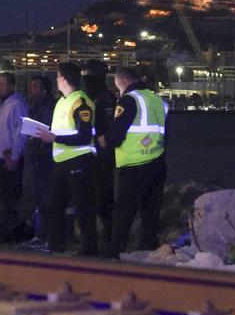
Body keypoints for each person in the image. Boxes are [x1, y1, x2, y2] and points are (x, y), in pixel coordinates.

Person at [98, 67, 168, 258]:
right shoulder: (156, 99)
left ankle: (115, 255)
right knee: (150, 214)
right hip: (157, 163)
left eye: (117, 86)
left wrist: (104, 140)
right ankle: (147, 253)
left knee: (123, 214)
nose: (117, 90)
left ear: (123, 81)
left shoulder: (129, 100)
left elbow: (116, 134)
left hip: (134, 166)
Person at [37, 63, 98, 255]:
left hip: (79, 160)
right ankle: (56, 246)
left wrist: (54, 138)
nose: (56, 80)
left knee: (83, 206)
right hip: (61, 161)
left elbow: (84, 136)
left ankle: (89, 249)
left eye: (57, 76)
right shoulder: (62, 102)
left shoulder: (81, 102)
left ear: (63, 79)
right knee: (55, 205)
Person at [0, 71, 29, 238]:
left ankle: (11, 234)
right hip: (0, 158)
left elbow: (21, 132)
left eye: (2, 84)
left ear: (11, 86)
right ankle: (5, 232)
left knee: (9, 199)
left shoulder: (17, 104)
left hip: (9, 158)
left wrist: (14, 156)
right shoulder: (3, 105)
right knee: (2, 198)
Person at [82, 59, 117, 243]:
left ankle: (107, 238)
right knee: (91, 197)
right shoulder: (92, 97)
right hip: (90, 153)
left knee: (103, 197)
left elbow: (106, 126)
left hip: (102, 156)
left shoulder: (105, 98)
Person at [23, 75, 56, 249]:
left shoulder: (48, 107)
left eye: (35, 86)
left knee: (47, 198)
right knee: (40, 198)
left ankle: (48, 236)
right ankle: (42, 235)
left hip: (46, 159)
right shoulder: (35, 107)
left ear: (44, 90)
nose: (31, 90)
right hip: (37, 158)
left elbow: (46, 131)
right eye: (31, 86)